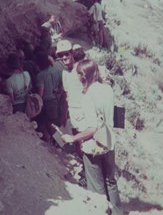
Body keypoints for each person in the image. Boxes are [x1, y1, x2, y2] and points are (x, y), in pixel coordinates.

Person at [62, 59, 123, 215]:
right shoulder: (108, 89)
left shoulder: (88, 96)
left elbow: (92, 128)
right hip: (109, 141)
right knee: (111, 181)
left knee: (96, 188)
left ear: (83, 76)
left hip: (94, 145)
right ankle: (117, 212)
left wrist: (73, 138)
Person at [35, 51, 64, 142]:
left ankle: (57, 142)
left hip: (48, 102)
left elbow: (40, 93)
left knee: (50, 123)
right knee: (58, 120)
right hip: (58, 98)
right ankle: (60, 140)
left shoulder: (40, 75)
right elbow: (61, 85)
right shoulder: (57, 70)